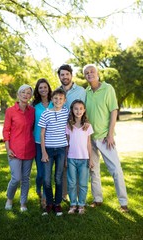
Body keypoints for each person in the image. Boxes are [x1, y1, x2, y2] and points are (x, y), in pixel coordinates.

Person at [83, 63, 128, 212]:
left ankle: (123, 203)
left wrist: (110, 134)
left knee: (115, 169)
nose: (90, 74)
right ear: (85, 76)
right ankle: (97, 199)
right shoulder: (86, 92)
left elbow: (113, 111)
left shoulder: (108, 88)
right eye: (87, 73)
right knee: (93, 170)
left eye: (92, 71)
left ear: (98, 73)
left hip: (105, 138)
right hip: (90, 138)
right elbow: (85, 113)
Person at [3, 84, 35, 212]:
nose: (25, 95)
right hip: (14, 150)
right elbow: (6, 131)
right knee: (16, 178)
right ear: (18, 94)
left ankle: (23, 202)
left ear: (30, 96)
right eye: (23, 92)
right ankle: (9, 198)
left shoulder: (32, 111)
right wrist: (8, 148)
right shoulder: (10, 111)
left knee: (26, 179)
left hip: (29, 149)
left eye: (28, 93)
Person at [57, 64, 86, 201]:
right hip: (61, 133)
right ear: (59, 77)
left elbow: (86, 109)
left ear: (71, 75)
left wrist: (86, 123)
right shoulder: (56, 92)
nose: (65, 77)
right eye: (62, 75)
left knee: (79, 162)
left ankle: (80, 196)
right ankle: (64, 194)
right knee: (64, 164)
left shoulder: (81, 91)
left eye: (67, 74)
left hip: (77, 132)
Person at [38, 88, 68, 216]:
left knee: (58, 178)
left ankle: (57, 204)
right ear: (52, 99)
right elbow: (42, 134)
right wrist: (43, 152)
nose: (58, 100)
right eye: (55, 98)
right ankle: (49, 203)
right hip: (49, 150)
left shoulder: (67, 112)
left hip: (61, 149)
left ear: (64, 100)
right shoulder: (46, 113)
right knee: (46, 179)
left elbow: (75, 123)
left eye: (61, 98)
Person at [66, 100, 94, 214]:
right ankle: (73, 204)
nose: (78, 111)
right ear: (72, 110)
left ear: (84, 110)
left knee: (83, 183)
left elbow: (89, 143)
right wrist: (65, 160)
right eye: (76, 109)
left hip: (84, 159)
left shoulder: (87, 126)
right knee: (71, 183)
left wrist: (91, 159)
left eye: (81, 108)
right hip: (71, 158)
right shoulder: (68, 125)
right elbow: (67, 144)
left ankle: (81, 204)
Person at [33, 78, 53, 209]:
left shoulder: (55, 103)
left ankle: (45, 200)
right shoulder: (34, 106)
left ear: (48, 88)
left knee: (47, 173)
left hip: (52, 143)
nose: (43, 90)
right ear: (37, 90)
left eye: (45, 87)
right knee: (41, 173)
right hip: (38, 142)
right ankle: (38, 186)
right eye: (40, 88)